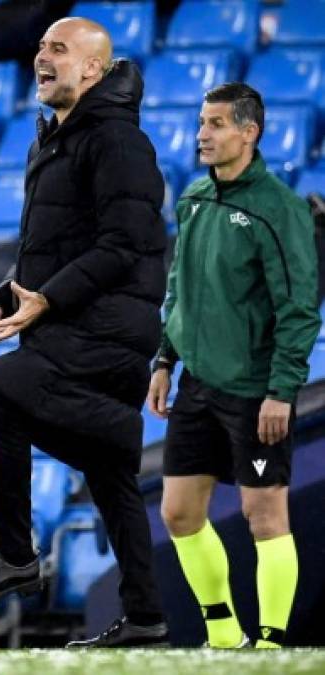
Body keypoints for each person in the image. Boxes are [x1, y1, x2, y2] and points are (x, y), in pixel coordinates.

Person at [0, 17, 169, 648]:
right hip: (75, 325)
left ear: (93, 69)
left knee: (0, 400)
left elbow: (127, 244)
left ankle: (14, 555)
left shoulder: (118, 141)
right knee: (109, 473)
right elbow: (52, 248)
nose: (42, 55)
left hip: (106, 331)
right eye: (39, 45)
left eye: (58, 49)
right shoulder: (55, 139)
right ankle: (145, 615)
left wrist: (48, 301)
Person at [147, 83, 321, 650]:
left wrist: (281, 391)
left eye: (217, 123)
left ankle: (270, 645)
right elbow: (180, 290)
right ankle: (223, 635)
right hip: (197, 382)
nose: (202, 133)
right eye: (201, 122)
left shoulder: (280, 209)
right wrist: (165, 360)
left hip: (255, 389)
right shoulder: (193, 199)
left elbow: (299, 308)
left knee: (263, 515)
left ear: (250, 131)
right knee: (177, 514)